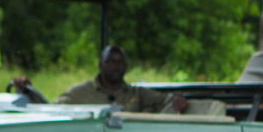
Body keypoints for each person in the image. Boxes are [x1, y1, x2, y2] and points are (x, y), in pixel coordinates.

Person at [51, 45, 188, 114]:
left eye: (120, 62)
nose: (116, 66)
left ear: (126, 66)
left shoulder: (136, 94)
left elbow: (166, 100)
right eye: (110, 61)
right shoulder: (80, 93)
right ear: (100, 65)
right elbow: (50, 108)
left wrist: (177, 99)